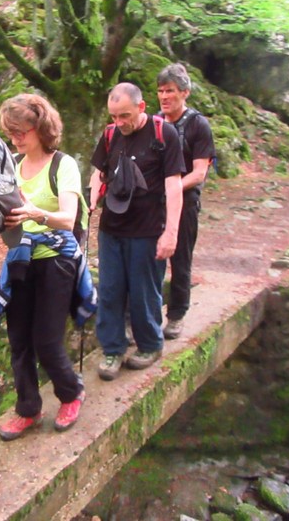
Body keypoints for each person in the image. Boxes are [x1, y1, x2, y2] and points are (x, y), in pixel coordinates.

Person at [0, 94, 86, 441]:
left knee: (46, 340)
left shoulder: (63, 165)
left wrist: (35, 213)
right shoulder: (12, 167)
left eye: (21, 131)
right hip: (20, 260)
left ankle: (71, 392)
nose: (16, 139)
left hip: (56, 261)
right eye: (11, 132)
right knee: (18, 340)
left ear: (40, 128)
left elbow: (68, 219)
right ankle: (28, 409)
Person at [89, 82, 184, 381]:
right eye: (115, 116)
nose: (120, 123)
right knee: (109, 290)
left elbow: (174, 185)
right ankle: (113, 348)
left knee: (144, 291)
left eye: (125, 116)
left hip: (147, 229)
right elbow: (98, 173)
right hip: (112, 228)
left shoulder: (163, 134)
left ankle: (150, 345)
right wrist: (90, 201)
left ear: (141, 108)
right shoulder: (109, 135)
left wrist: (171, 233)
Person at [156, 64, 216, 339]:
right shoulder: (154, 123)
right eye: (160, 91)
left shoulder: (198, 125)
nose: (164, 97)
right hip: (152, 205)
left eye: (170, 91)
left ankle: (177, 315)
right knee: (150, 259)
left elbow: (199, 172)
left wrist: (171, 187)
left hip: (186, 203)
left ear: (184, 93)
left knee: (181, 260)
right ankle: (147, 313)